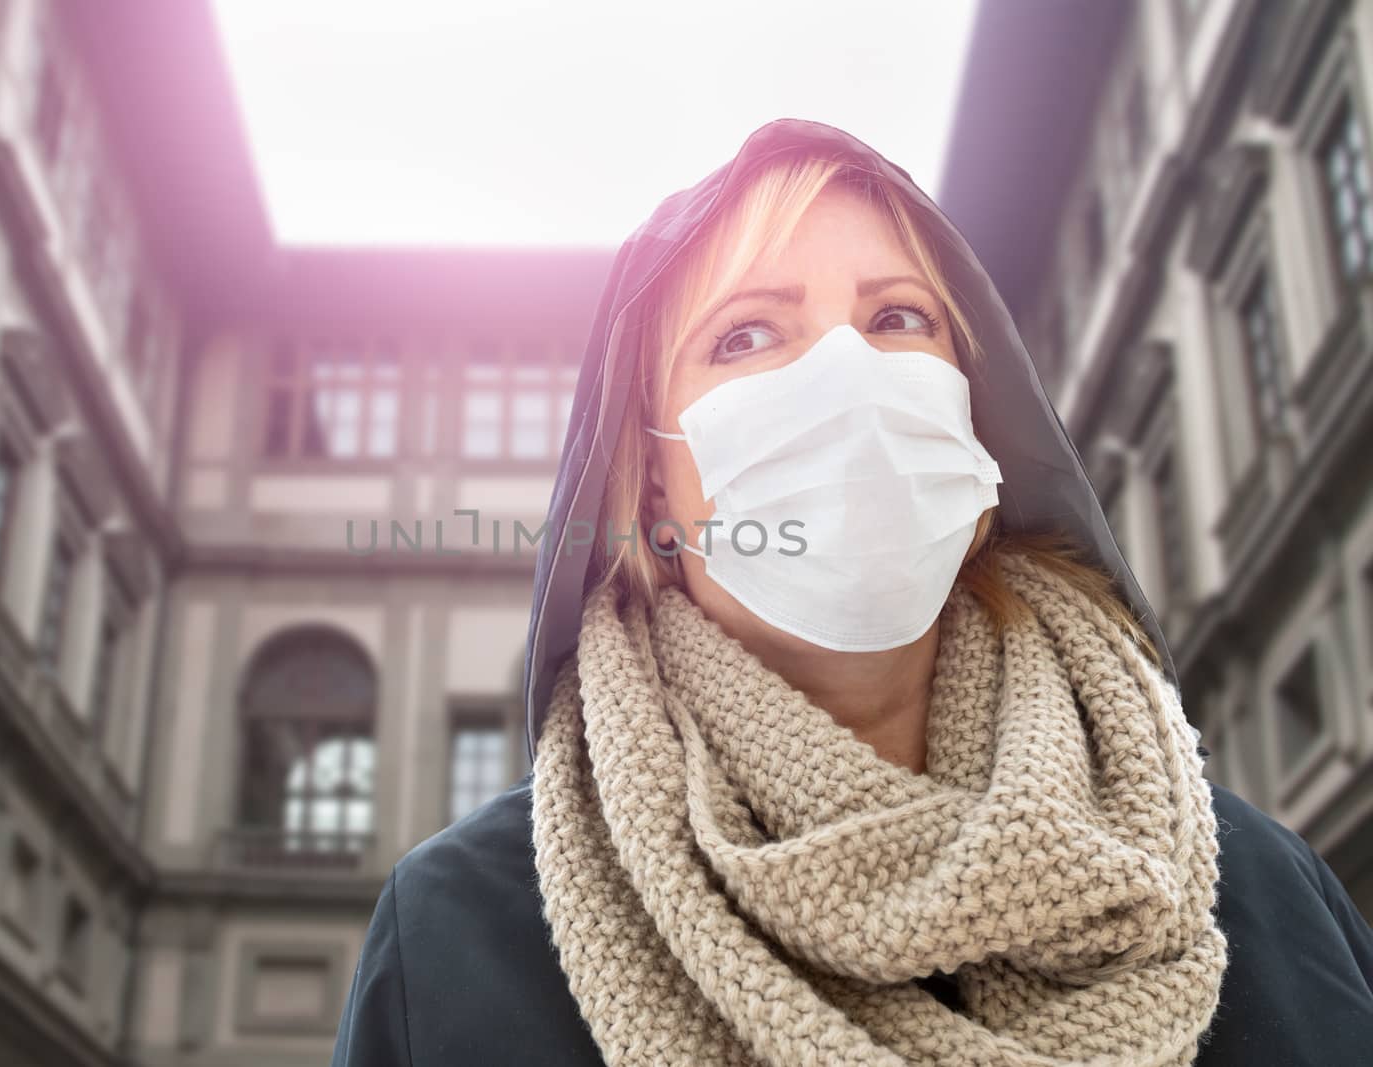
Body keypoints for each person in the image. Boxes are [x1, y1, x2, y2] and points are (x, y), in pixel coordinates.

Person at [331, 119, 1373, 1066]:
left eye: (897, 317)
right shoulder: (460, 934)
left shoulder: (1255, 890)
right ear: (648, 477)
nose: (846, 372)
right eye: (745, 334)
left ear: (977, 418)